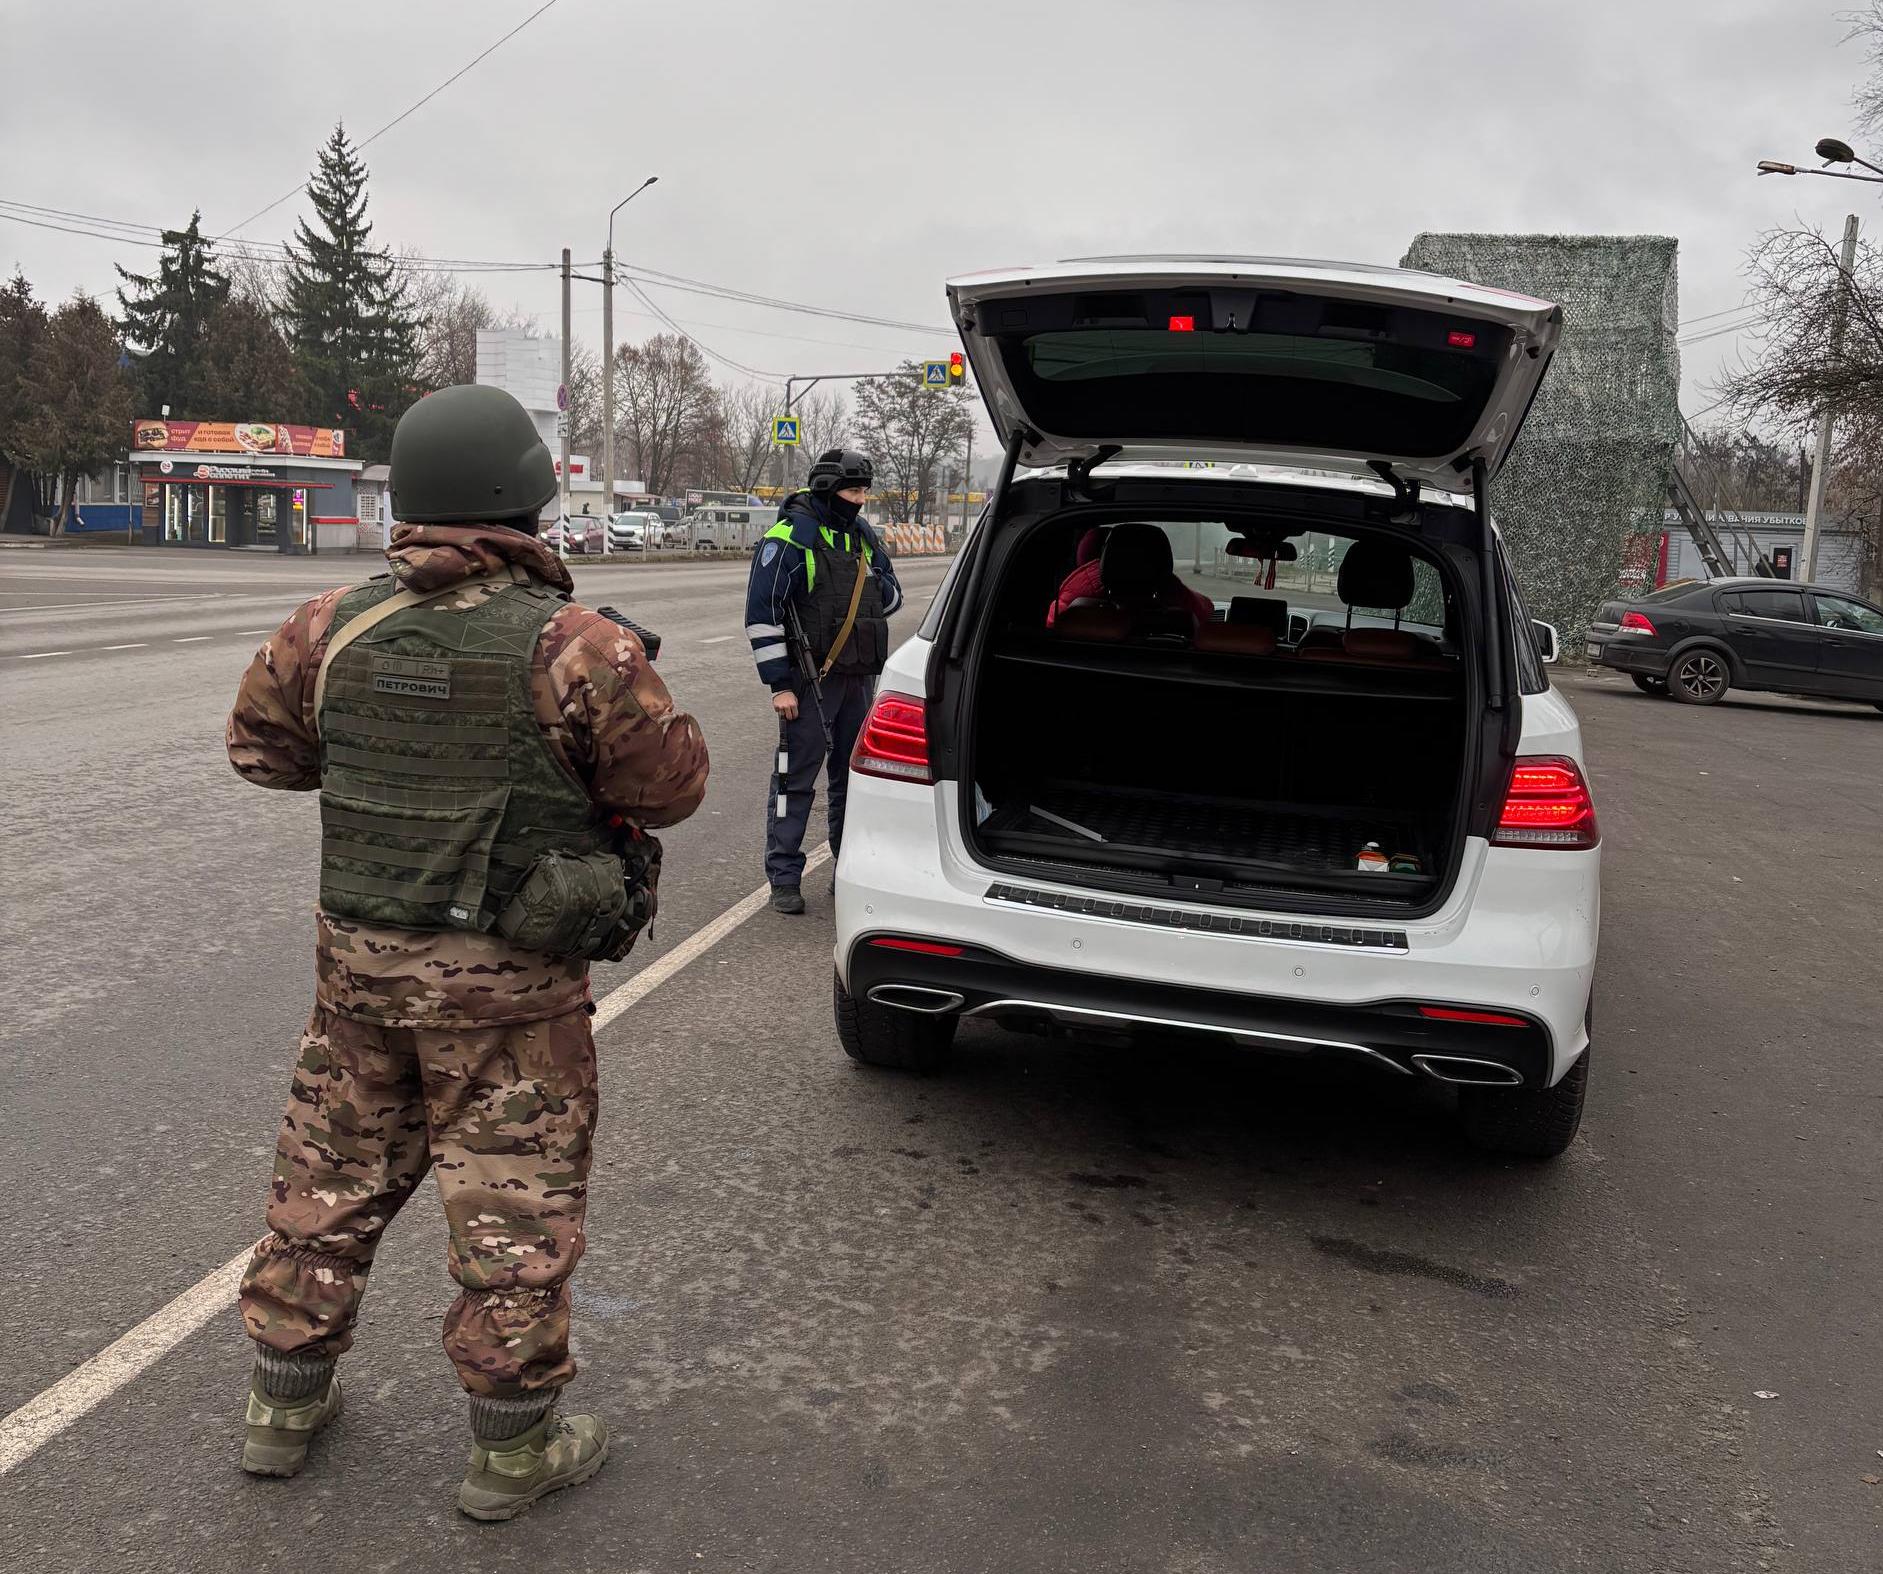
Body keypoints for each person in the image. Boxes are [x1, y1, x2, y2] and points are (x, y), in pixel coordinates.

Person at [224, 384, 709, 1519]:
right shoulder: (577, 646)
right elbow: (672, 790)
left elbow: (262, 754)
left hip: (359, 977)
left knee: (324, 1185)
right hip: (512, 998)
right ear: (525, 500)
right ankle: (511, 1452)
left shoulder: (326, 625)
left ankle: (280, 1410)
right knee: (511, 1216)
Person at [745, 447, 902, 914]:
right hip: (810, 679)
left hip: (858, 679)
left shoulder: (863, 537)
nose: (860, 500)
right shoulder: (790, 539)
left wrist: (868, 583)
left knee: (853, 781)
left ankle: (846, 869)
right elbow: (762, 615)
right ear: (828, 489)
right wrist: (780, 685)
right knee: (794, 779)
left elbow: (892, 596)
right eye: (853, 491)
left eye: (864, 491)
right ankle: (784, 877)